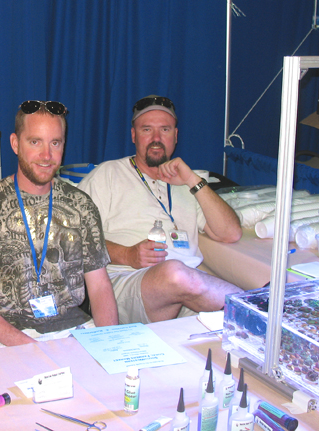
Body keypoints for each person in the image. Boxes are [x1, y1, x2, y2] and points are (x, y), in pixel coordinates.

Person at [0, 100, 118, 351]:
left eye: (55, 143)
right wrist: (33, 349)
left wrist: (109, 343)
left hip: (72, 328)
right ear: (15, 144)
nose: (46, 155)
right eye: (35, 142)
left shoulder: (81, 205)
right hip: (3, 337)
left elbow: (100, 286)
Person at [78, 95, 243, 324]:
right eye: (147, 130)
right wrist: (127, 254)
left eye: (165, 130)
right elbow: (74, 240)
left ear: (175, 136)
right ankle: (258, 308)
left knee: (225, 324)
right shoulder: (107, 175)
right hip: (127, 284)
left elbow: (231, 233)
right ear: (134, 135)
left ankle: (258, 310)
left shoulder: (187, 181)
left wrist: (193, 180)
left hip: (189, 288)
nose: (156, 139)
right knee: (173, 273)